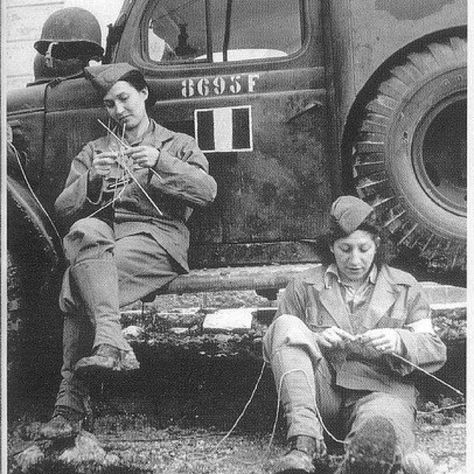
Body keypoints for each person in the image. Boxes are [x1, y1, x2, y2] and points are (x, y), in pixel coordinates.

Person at [39, 63, 217, 440]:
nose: (118, 110)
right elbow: (62, 208)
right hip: (106, 239)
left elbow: (206, 191)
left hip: (157, 238)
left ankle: (68, 405)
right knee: (83, 228)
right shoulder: (97, 149)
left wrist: (159, 163)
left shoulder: (176, 143)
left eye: (124, 98)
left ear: (144, 95)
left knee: (78, 282)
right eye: (109, 104)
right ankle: (110, 341)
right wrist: (91, 178)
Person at [263, 196, 446, 474]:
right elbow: (275, 344)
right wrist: (315, 339)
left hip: (381, 390)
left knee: (379, 431)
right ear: (331, 247)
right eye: (345, 249)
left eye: (364, 248)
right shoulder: (303, 286)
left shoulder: (405, 287)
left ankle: (362, 462)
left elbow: (434, 347)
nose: (355, 260)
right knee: (287, 323)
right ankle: (304, 444)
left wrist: (399, 340)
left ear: (377, 245)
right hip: (322, 395)